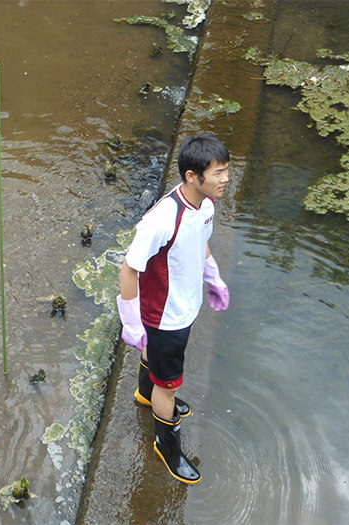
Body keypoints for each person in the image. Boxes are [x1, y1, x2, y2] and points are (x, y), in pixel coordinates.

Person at [117, 133, 230, 484]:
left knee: (161, 372)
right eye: (218, 173)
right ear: (192, 177)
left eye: (227, 171)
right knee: (169, 385)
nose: (226, 179)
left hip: (184, 306)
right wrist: (132, 322)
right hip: (163, 315)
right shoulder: (164, 218)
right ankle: (167, 448)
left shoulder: (206, 204)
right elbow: (129, 268)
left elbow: (202, 244)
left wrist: (214, 279)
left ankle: (143, 392)